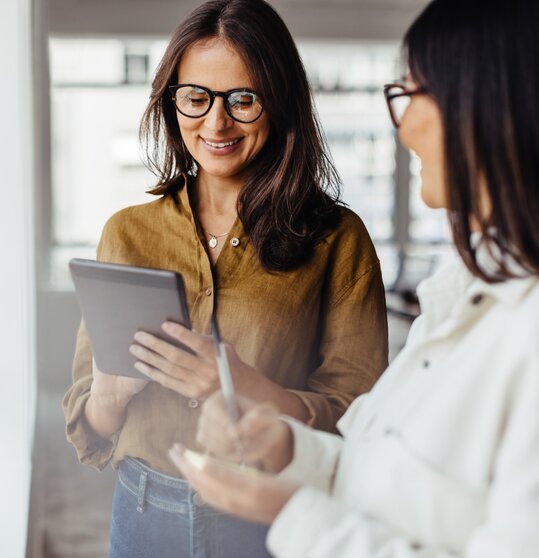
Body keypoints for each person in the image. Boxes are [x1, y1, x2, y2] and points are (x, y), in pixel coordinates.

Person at [169, 0, 539, 556]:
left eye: (416, 94)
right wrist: (291, 449)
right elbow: (382, 469)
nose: (403, 125)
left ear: (499, 108)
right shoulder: (460, 292)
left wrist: (295, 516)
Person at [62, 0, 389, 557]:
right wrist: (110, 399)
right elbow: (87, 429)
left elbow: (364, 423)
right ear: (172, 103)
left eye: (243, 99)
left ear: (280, 103)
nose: (216, 123)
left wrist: (238, 386)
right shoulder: (127, 233)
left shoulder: (338, 239)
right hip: (141, 515)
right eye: (196, 98)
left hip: (271, 520)